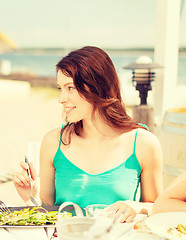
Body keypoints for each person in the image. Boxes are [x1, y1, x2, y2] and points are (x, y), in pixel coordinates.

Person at [13, 46, 163, 223]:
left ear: (97, 87)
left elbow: (158, 209)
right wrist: (30, 197)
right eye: (60, 88)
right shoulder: (53, 142)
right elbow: (46, 215)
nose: (61, 98)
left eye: (70, 88)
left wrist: (137, 207)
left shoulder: (144, 143)